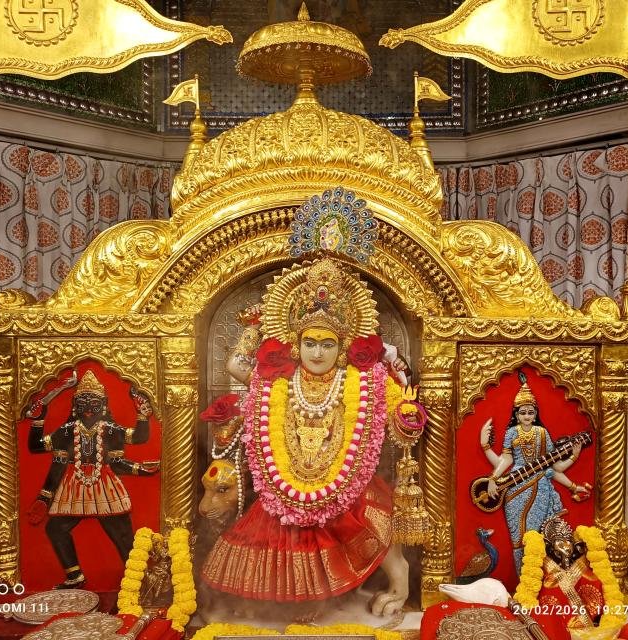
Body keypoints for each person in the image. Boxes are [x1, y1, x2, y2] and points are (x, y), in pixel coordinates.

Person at [201, 258, 409, 616]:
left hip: (344, 478)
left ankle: (399, 587)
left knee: (368, 516)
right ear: (296, 345)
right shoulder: (277, 378)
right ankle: (298, 601)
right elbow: (236, 365)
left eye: (327, 344)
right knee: (279, 530)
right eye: (309, 343)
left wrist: (406, 415)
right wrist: (255, 327)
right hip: (287, 480)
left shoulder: (363, 379)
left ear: (342, 347)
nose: (317, 353)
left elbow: (400, 413)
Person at [26, 370, 159, 588]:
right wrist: (39, 418)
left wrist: (142, 416)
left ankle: (141, 579)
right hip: (74, 487)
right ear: (74, 407)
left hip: (105, 486)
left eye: (94, 404)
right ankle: (75, 576)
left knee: (123, 535)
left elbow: (136, 441)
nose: (88, 409)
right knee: (55, 529)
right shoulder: (67, 431)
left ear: (104, 405)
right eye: (82, 403)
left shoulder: (110, 430)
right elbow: (38, 448)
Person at [479, 372, 590, 574]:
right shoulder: (512, 433)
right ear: (516, 415)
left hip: (540, 488)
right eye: (522, 413)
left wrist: (574, 462)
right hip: (514, 490)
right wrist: (492, 476)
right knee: (517, 538)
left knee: (537, 536)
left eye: (530, 412)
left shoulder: (542, 433)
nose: (527, 416)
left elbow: (554, 468)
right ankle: (522, 580)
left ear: (535, 413)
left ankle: (537, 579)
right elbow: (506, 460)